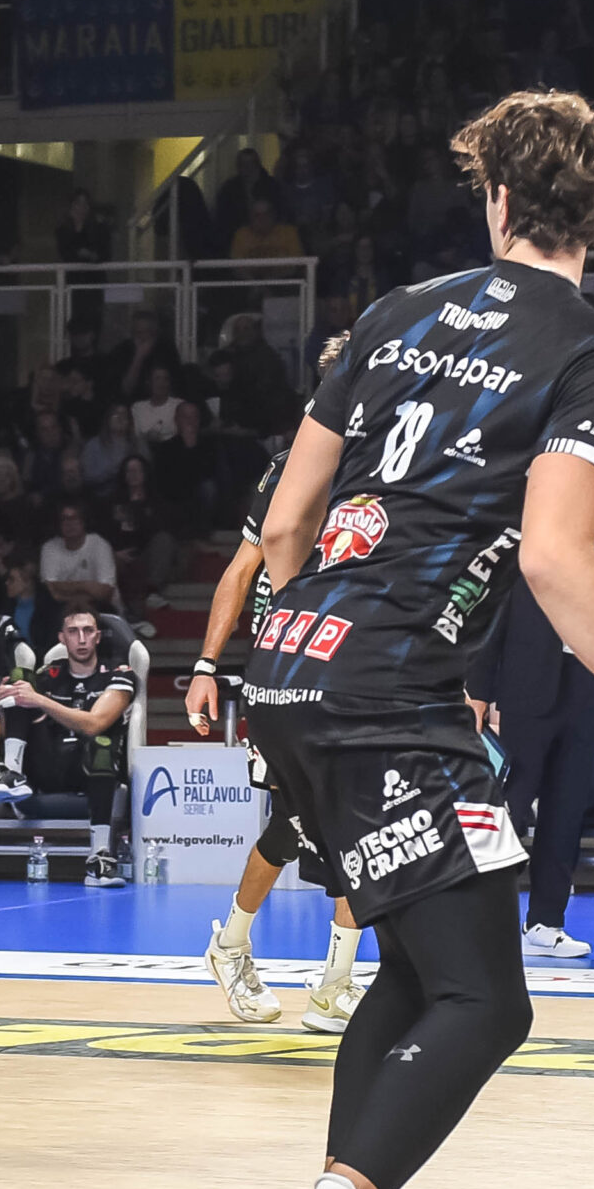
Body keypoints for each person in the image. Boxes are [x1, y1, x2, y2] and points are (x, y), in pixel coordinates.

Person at [230, 90, 594, 1189]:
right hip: (391, 691)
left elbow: (284, 526)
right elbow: (557, 557)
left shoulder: (394, 314)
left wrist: (307, 654)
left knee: (415, 965)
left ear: (493, 198)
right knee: (489, 999)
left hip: (296, 665)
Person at [186, 409, 371, 1035]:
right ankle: (253, 954)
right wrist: (206, 665)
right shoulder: (289, 470)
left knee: (334, 821)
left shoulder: (389, 468)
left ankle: (315, 977)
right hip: (285, 673)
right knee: (309, 823)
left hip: (352, 669)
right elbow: (242, 570)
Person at [475, 509, 594, 957]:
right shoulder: (521, 520)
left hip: (588, 681)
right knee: (509, 807)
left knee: (566, 808)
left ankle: (545, 923)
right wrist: (477, 691)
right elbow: (490, 608)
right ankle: (480, 922)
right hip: (526, 683)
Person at [0, 609, 136, 888]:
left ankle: (99, 857)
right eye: (73, 632)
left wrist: (40, 701)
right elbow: (9, 726)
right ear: (62, 638)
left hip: (90, 769)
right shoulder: (47, 675)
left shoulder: (119, 674)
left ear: (97, 637)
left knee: (102, 745)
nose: (81, 639)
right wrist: (3, 705)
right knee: (19, 682)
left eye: (88, 631)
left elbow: (94, 724)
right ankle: (11, 773)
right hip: (48, 764)